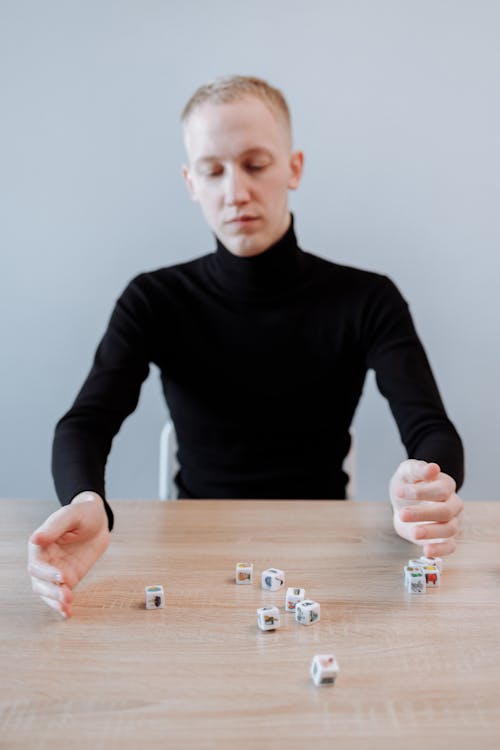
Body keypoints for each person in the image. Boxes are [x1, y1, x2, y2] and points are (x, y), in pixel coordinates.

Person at [28, 76, 464, 618]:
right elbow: (85, 423)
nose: (235, 192)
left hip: (326, 553)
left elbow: (431, 429)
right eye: (213, 170)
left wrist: (427, 481)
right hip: (192, 551)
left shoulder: (368, 299)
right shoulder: (153, 299)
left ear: (294, 168)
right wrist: (86, 500)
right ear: (191, 182)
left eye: (255, 164)